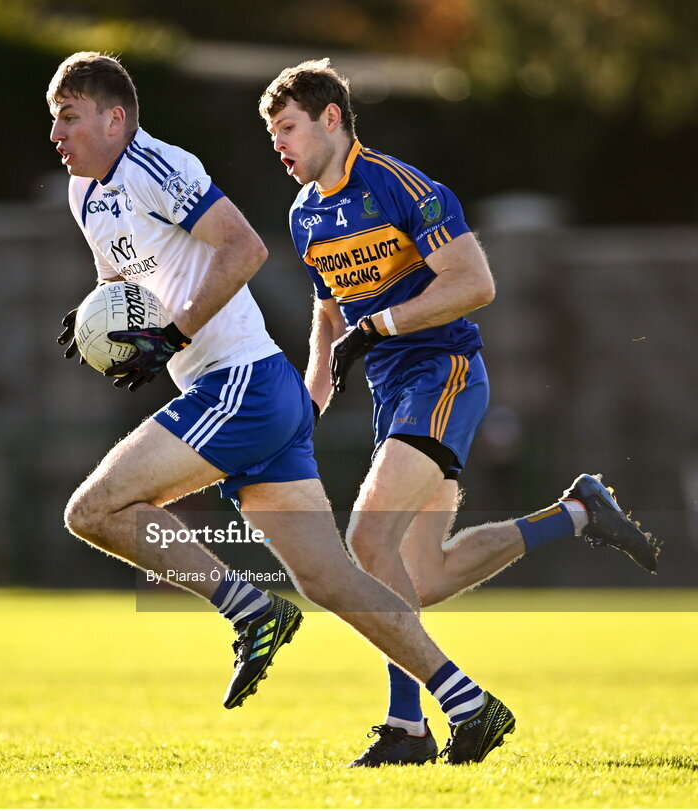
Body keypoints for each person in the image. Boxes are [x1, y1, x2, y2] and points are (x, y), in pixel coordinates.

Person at [49, 51, 516, 766]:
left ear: (116, 119)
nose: (57, 133)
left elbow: (242, 247)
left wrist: (171, 335)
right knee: (333, 578)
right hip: (261, 395)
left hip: (239, 385)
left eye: (69, 117)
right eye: (54, 119)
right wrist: (101, 327)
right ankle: (466, 701)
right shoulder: (85, 193)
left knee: (93, 509)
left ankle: (247, 607)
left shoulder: (156, 165)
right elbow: (123, 283)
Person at [260, 59, 659, 767]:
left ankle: (409, 726)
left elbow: (475, 282)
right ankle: (579, 512)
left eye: (287, 128)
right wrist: (313, 384)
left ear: (330, 119)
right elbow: (328, 309)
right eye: (271, 136)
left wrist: (378, 327)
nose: (279, 146)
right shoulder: (304, 215)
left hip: (442, 375)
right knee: (427, 576)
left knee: (367, 541)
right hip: (392, 393)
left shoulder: (403, 185)